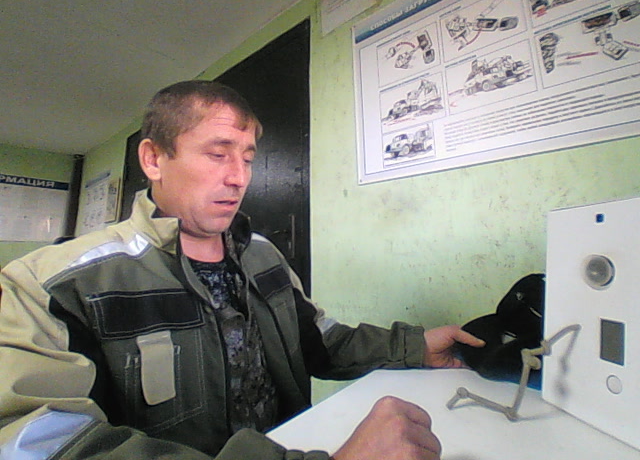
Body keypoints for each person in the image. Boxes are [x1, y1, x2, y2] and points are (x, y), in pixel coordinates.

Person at [0, 80, 484, 460]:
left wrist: (415, 345)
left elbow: (320, 341)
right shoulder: (53, 284)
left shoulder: (263, 256)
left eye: (247, 159)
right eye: (217, 154)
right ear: (153, 159)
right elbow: (34, 439)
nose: (238, 177)